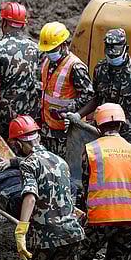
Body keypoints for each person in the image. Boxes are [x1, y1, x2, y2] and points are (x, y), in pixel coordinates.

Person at [9, 115, 85, 260]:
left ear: (18, 144)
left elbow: (30, 197)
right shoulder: (60, 161)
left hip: (46, 236)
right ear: (39, 137)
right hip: (72, 233)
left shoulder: (28, 164)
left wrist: (21, 229)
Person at [78, 103, 131, 260]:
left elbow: (86, 185)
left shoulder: (91, 149)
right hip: (129, 218)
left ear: (98, 125)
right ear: (121, 125)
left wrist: (85, 212)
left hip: (101, 216)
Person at [66, 28, 131, 151]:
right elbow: (96, 98)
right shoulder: (100, 69)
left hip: (125, 137)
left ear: (125, 49)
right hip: (100, 131)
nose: (112, 56)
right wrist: (78, 115)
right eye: (109, 52)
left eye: (115, 53)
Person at [0, 2, 40, 139]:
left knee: (5, 150)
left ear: (4, 22)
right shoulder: (34, 47)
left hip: (5, 114)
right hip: (30, 112)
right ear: (23, 24)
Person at [39, 21, 94, 158]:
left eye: (53, 50)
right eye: (48, 50)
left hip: (66, 130)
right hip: (48, 127)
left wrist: (69, 109)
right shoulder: (47, 61)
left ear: (63, 45)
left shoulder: (75, 67)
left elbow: (89, 95)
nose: (50, 53)